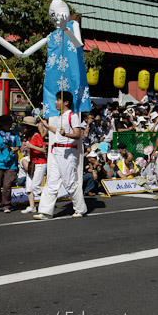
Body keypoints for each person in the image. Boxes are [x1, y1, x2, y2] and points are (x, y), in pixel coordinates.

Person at [34, 91, 88, 220]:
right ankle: (45, 212)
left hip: (68, 153)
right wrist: (48, 127)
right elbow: (59, 132)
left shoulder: (72, 116)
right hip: (56, 152)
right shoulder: (59, 116)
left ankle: (80, 209)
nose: (55, 102)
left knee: (69, 182)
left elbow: (77, 134)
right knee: (51, 182)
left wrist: (65, 135)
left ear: (66, 102)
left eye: (58, 100)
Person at [21, 116, 47, 214]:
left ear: (30, 127)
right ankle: (32, 206)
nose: (24, 128)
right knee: (29, 186)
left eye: (25, 126)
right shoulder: (29, 136)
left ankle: (47, 199)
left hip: (40, 163)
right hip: (33, 162)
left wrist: (31, 146)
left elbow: (43, 149)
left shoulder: (37, 136)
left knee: (36, 186)